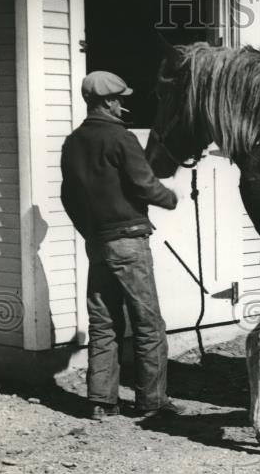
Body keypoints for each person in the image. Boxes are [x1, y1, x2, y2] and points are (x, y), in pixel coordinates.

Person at [60, 70, 184, 421]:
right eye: (120, 100)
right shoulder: (121, 137)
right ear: (109, 102)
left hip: (97, 243)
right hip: (128, 241)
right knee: (148, 323)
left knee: (103, 323)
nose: (122, 105)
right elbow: (144, 185)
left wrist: (90, 232)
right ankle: (153, 402)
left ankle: (101, 402)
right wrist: (170, 198)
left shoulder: (73, 142)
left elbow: (68, 197)